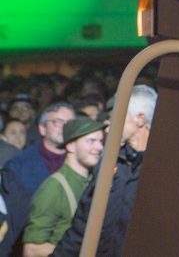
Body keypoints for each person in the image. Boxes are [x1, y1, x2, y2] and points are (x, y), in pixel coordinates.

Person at [51, 85, 157, 257]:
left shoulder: (162, 170)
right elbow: (82, 225)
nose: (108, 127)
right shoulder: (110, 163)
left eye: (117, 116)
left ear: (140, 119)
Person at [22, 117, 105, 257]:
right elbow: (32, 250)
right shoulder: (54, 188)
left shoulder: (94, 181)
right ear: (70, 146)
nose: (99, 147)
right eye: (91, 141)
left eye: (100, 141)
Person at [3, 102, 75, 197]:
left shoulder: (83, 160)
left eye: (70, 123)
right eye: (58, 122)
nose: (65, 127)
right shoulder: (18, 165)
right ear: (42, 129)